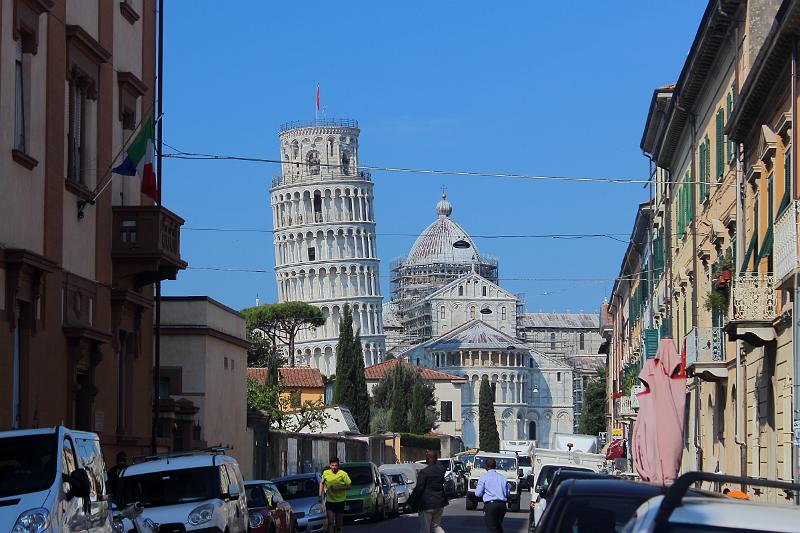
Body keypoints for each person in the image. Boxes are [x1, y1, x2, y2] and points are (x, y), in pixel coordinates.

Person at [409, 449, 448, 533]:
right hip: (440, 503)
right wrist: (434, 456)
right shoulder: (441, 470)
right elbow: (441, 465)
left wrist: (411, 501)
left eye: (427, 457)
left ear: (428, 458)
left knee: (425, 529)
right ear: (436, 459)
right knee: (436, 526)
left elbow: (419, 488)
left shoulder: (424, 472)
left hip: (427, 504)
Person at [475, 458, 509, 533]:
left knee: (492, 528)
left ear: (486, 467)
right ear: (495, 466)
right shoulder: (502, 478)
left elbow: (477, 493)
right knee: (498, 526)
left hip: (491, 505)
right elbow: (507, 493)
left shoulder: (483, 477)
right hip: (502, 505)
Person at [320, 457, 351, 533]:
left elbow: (349, 486)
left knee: (338, 524)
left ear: (338, 465)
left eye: (336, 465)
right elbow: (322, 483)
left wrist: (339, 487)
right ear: (330, 465)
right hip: (330, 501)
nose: (334, 467)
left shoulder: (343, 474)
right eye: (332, 465)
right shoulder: (325, 473)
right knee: (330, 522)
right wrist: (320, 494)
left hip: (340, 501)